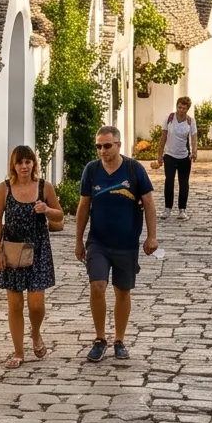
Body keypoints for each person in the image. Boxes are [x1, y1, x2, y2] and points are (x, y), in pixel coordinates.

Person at [74, 126, 159, 361]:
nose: (102, 151)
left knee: (122, 291)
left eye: (107, 146)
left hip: (126, 243)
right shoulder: (92, 170)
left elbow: (148, 203)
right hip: (98, 242)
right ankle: (99, 338)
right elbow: (83, 206)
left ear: (118, 145)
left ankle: (119, 340)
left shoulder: (134, 169)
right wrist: (79, 240)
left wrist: (152, 236)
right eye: (98, 146)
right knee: (97, 285)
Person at [0, 146, 64, 367]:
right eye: (20, 162)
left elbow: (60, 216)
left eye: (28, 162)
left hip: (39, 250)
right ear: (13, 165)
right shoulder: (4, 188)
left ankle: (36, 332)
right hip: (12, 250)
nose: (24, 166)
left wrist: (47, 210)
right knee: (14, 304)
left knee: (36, 305)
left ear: (34, 164)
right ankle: (18, 352)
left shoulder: (44, 187)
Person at [160, 97, 198, 217]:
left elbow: (194, 137)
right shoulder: (169, 118)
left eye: (183, 108)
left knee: (183, 183)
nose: (181, 110)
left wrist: (194, 151)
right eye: (179, 107)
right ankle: (167, 208)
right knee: (169, 181)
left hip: (184, 156)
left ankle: (182, 209)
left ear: (187, 109)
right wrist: (159, 155)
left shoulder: (190, 121)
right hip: (170, 155)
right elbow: (163, 137)